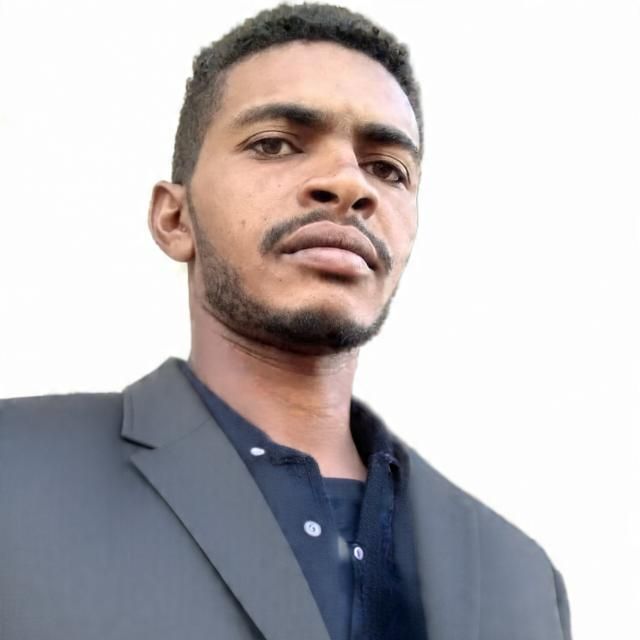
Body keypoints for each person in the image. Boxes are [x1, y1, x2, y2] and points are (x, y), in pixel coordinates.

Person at [0, 4, 572, 639]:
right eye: (274, 144)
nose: (349, 185)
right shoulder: (15, 470)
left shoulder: (522, 579)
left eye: (387, 169)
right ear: (175, 218)